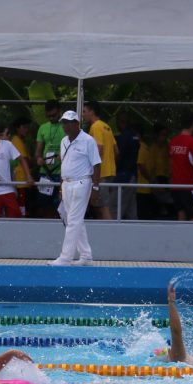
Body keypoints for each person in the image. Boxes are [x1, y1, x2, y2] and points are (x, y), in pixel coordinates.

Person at [49, 111, 101, 266]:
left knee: (73, 220)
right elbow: (65, 164)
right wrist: (60, 185)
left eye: (69, 122)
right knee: (71, 218)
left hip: (81, 183)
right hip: (66, 184)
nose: (66, 125)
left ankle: (65, 258)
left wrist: (96, 188)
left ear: (77, 124)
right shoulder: (64, 141)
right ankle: (86, 256)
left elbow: (97, 165)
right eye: (64, 122)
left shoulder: (88, 140)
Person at [167, 113, 193, 221]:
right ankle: (187, 234)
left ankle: (180, 237)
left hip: (175, 186)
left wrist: (170, 181)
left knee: (181, 213)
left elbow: (170, 165)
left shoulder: (173, 142)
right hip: (189, 186)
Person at [81, 101, 115, 220]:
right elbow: (117, 151)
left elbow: (98, 150)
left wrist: (91, 170)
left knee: (102, 207)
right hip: (110, 172)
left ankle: (111, 234)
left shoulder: (95, 127)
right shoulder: (107, 127)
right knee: (99, 205)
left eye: (84, 111)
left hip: (101, 174)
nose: (82, 114)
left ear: (92, 112)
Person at [32, 100, 65, 219]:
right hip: (45, 172)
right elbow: (38, 151)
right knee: (44, 203)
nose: (51, 118)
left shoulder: (66, 127)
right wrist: (39, 158)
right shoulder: (43, 128)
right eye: (49, 116)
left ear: (60, 112)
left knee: (61, 203)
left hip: (61, 173)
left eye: (54, 115)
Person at [136, 123, 170, 220]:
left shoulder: (168, 148)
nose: (164, 138)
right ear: (156, 135)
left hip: (166, 180)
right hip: (154, 181)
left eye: (166, 135)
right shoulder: (150, 149)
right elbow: (145, 167)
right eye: (162, 135)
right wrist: (153, 182)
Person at [9, 116, 32, 216]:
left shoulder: (21, 140)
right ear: (17, 128)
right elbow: (24, 160)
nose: (26, 130)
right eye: (24, 127)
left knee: (23, 206)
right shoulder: (16, 140)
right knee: (21, 207)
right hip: (20, 180)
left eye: (27, 127)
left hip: (23, 180)